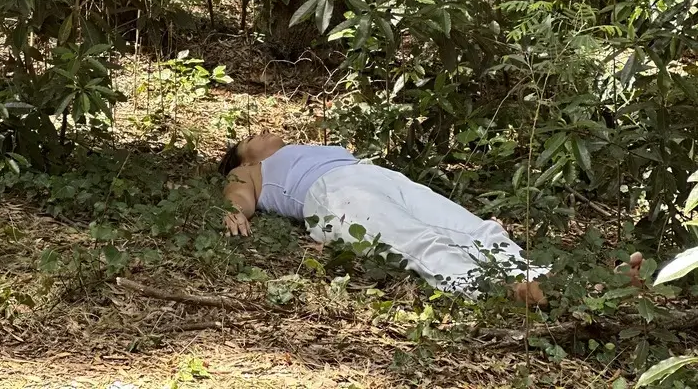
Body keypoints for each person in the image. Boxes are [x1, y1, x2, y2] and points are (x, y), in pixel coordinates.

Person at [219, 133, 644, 305]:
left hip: (376, 175)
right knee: (416, 241)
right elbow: (237, 195)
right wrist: (234, 212)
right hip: (332, 193)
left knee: (473, 227)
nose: (262, 133)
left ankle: (543, 283)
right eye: (251, 137)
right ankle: (499, 294)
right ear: (246, 155)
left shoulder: (304, 146)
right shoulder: (251, 170)